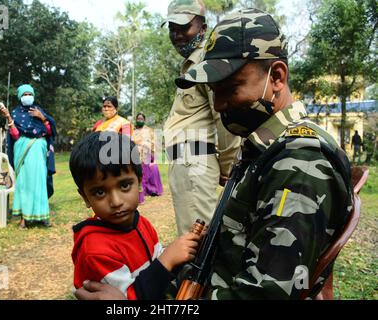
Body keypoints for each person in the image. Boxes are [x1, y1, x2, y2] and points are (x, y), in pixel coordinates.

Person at [75, 9, 353, 300]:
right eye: (213, 92)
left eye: (231, 88)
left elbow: (262, 295)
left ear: (277, 77)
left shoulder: (299, 163)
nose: (219, 105)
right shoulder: (267, 148)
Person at [69, 131, 202, 300]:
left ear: (139, 182)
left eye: (124, 185)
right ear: (85, 197)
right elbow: (126, 298)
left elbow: (156, 258)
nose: (116, 201)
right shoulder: (94, 250)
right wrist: (167, 260)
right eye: (100, 192)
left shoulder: (140, 222)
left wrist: (180, 250)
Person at [162, 0, 242, 236]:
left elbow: (224, 117)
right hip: (187, 160)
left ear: (203, 27)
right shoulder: (190, 65)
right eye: (172, 29)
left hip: (194, 158)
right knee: (194, 238)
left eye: (184, 27)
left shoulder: (207, 63)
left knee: (195, 242)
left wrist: (229, 167)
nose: (177, 35)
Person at [0, 84, 56, 229]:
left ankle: (43, 216)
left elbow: (50, 132)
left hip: (39, 151)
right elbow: (15, 135)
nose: (27, 96)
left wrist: (42, 118)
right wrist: (8, 117)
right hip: (23, 151)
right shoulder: (15, 113)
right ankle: (24, 219)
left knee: (39, 183)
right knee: (24, 184)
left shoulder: (39, 110)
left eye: (29, 94)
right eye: (24, 94)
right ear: (20, 97)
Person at [133, 113, 164, 203]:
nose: (140, 120)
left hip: (147, 154)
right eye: (138, 119)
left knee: (151, 169)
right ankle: (141, 192)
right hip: (136, 154)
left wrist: (153, 157)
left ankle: (152, 190)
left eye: (141, 119)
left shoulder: (149, 131)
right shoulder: (134, 131)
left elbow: (154, 143)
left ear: (144, 120)